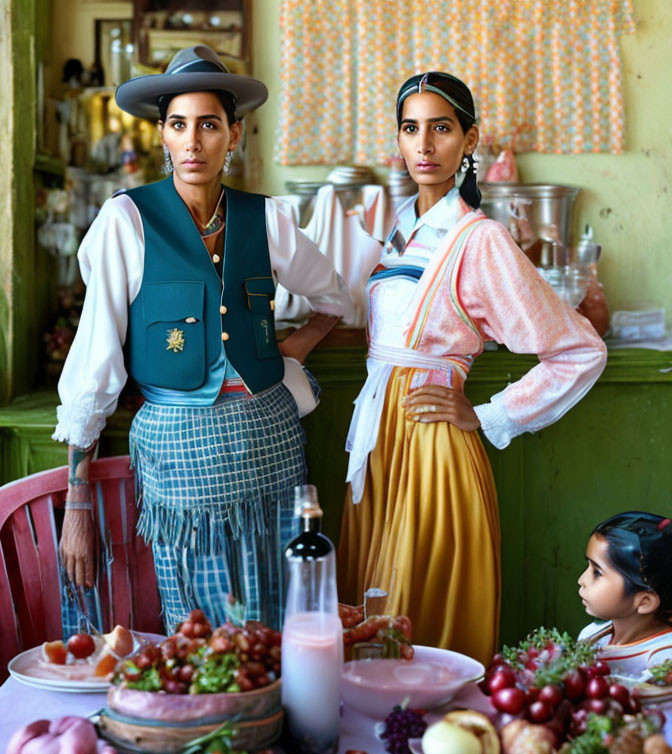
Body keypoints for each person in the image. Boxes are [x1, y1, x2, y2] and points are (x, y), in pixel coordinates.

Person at [54, 45, 352, 633]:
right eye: (179, 125)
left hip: (271, 442)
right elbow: (94, 366)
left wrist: (298, 345)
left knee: (277, 618)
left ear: (233, 134)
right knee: (199, 626)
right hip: (180, 452)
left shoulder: (266, 218)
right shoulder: (126, 221)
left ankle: (276, 721)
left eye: (209, 125)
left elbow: (336, 298)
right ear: (162, 134)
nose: (193, 142)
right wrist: (77, 500)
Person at [338, 72, 607, 665]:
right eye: (411, 129)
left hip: (433, 446)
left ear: (469, 139)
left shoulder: (477, 238)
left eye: (441, 128)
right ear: (399, 141)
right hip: (379, 441)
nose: (425, 145)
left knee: (410, 621)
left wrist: (487, 413)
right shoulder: (400, 232)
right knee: (367, 616)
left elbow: (580, 350)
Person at [578, 512, 672, 678]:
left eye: (597, 572)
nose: (581, 580)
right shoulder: (591, 636)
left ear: (644, 601)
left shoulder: (663, 661)